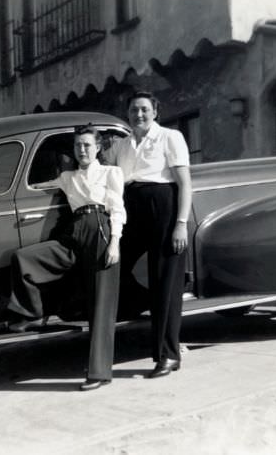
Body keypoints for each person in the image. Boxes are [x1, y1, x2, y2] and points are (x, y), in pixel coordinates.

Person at [7, 125, 126, 391]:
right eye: (77, 146)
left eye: (86, 144)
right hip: (74, 230)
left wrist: (115, 242)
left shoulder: (111, 173)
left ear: (97, 148)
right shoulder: (67, 176)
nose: (81, 150)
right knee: (25, 259)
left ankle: (99, 373)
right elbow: (36, 186)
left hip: (101, 229)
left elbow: (117, 208)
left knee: (100, 303)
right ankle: (30, 313)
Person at [105, 91, 192, 379]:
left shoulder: (170, 137)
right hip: (130, 206)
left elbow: (184, 184)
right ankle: (138, 310)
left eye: (144, 109)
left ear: (155, 111)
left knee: (165, 280)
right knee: (112, 265)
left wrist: (180, 223)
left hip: (162, 206)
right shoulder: (121, 144)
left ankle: (167, 355)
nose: (138, 115)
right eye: (133, 110)